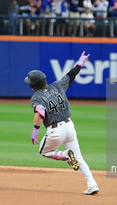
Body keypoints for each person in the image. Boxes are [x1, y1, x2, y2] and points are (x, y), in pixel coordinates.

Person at [25, 51, 99, 195]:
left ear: (33, 85)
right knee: (79, 158)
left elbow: (40, 114)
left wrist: (35, 132)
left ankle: (65, 155)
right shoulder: (57, 86)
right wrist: (81, 61)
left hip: (55, 131)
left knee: (44, 151)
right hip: (69, 126)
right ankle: (92, 184)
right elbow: (71, 75)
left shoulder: (36, 98)